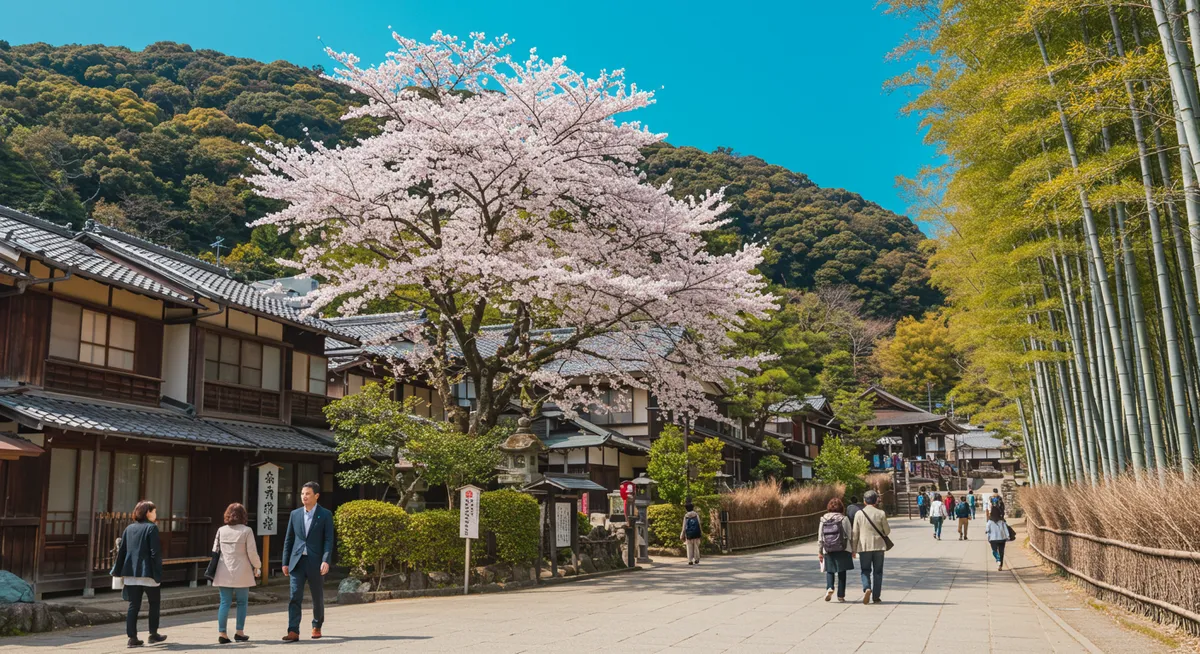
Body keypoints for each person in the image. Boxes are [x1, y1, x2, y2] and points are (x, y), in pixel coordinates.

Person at [281, 481, 335, 642]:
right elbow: (289, 539)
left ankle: (317, 625)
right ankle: (293, 630)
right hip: (297, 561)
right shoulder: (295, 514)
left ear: (316, 496)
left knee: (316, 596)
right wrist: (285, 562)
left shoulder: (325, 515)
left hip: (316, 561)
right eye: (302, 493)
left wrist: (325, 560)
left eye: (308, 494)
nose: (304, 496)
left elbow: (328, 540)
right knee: (294, 595)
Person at [110, 500, 167, 648]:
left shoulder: (129, 529)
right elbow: (155, 553)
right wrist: (158, 572)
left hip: (130, 573)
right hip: (148, 573)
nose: (155, 514)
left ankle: (132, 638)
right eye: (154, 511)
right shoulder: (151, 528)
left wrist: (118, 571)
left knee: (133, 605)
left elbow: (122, 551)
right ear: (148, 512)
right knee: (154, 604)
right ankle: (153, 634)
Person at [212, 503, 262, 644]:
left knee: (224, 602)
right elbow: (252, 552)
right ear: (243, 516)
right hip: (242, 570)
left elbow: (215, 550)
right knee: (242, 602)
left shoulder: (221, 530)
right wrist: (258, 566)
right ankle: (239, 632)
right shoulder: (246, 531)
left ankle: (222, 633)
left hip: (223, 570)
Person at [851, 490, 891, 605]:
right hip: (879, 546)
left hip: (864, 546)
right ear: (876, 501)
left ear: (864, 501)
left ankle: (867, 587)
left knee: (865, 570)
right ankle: (876, 596)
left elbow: (855, 533)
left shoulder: (859, 514)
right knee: (878, 572)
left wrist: (853, 549)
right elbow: (887, 531)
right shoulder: (881, 513)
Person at [818, 497, 855, 602]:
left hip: (828, 548)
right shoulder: (844, 519)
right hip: (842, 548)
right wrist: (853, 549)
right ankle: (841, 596)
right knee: (842, 572)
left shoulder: (823, 519)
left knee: (830, 570)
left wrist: (820, 552)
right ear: (841, 507)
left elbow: (820, 537)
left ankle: (830, 587)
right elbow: (850, 535)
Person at [986, 505, 1010, 571]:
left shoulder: (990, 522)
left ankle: (998, 559)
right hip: (1002, 538)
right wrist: (1007, 536)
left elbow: (987, 530)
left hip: (993, 539)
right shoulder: (1002, 521)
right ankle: (1000, 565)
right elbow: (1006, 529)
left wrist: (988, 537)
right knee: (1001, 552)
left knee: (994, 551)